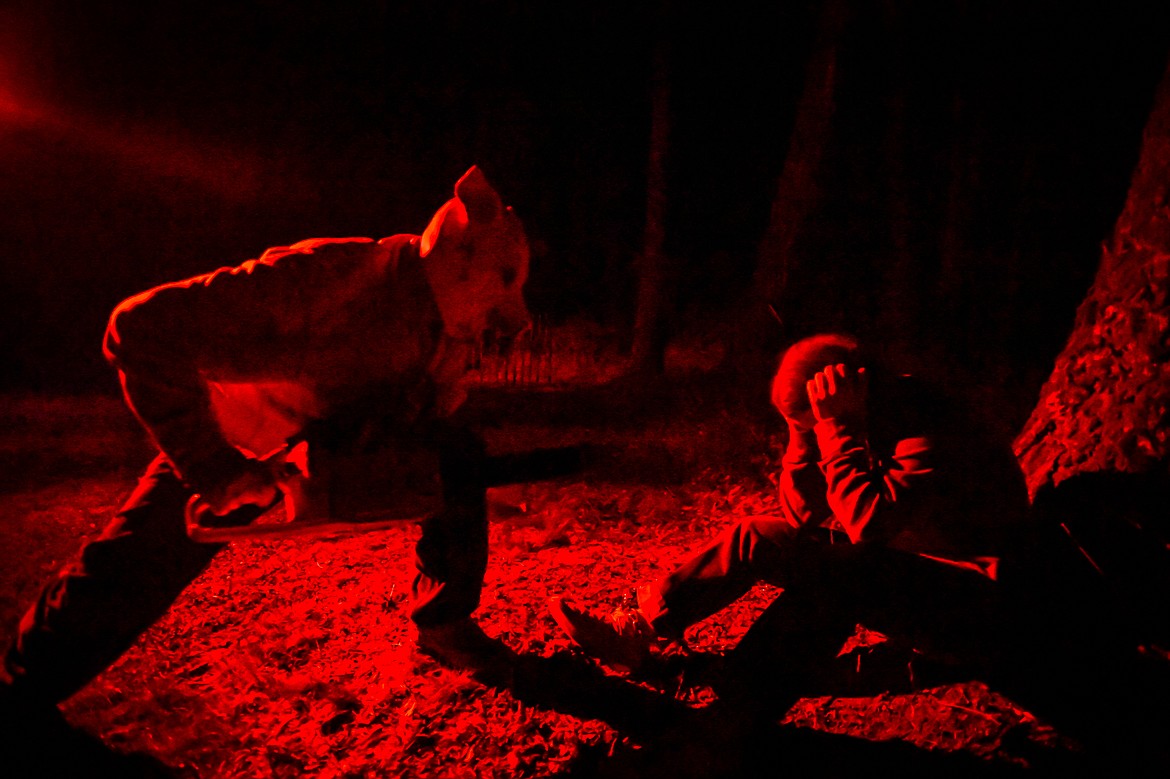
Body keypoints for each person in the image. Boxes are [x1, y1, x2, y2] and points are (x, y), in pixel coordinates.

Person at [2, 166, 531, 726]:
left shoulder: (448, 331)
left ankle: (444, 624)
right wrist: (212, 463)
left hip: (331, 433)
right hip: (247, 438)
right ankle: (19, 690)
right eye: (501, 282)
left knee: (459, 456)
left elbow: (430, 415)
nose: (501, 314)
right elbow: (137, 327)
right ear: (461, 255)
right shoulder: (326, 278)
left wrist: (447, 482)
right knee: (137, 562)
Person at [549, 333, 1032, 706]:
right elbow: (803, 515)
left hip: (974, 598)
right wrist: (804, 440)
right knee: (762, 540)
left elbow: (867, 523)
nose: (818, 432)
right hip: (918, 569)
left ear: (848, 387)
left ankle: (728, 694)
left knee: (798, 565)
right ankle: (644, 633)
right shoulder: (874, 413)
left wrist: (835, 429)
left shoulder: (928, 422)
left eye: (813, 422)